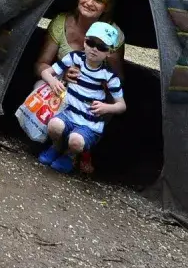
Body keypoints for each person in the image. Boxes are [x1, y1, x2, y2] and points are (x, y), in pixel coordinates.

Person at [37, 23, 126, 174]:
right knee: (54, 125)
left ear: (109, 52)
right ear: (85, 42)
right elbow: (47, 72)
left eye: (102, 47)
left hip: (89, 122)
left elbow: (121, 105)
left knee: (76, 141)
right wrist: (53, 81)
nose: (94, 49)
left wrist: (107, 107)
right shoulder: (74, 57)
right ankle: (56, 146)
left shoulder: (109, 76)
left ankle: (70, 155)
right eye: (91, 42)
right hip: (68, 113)